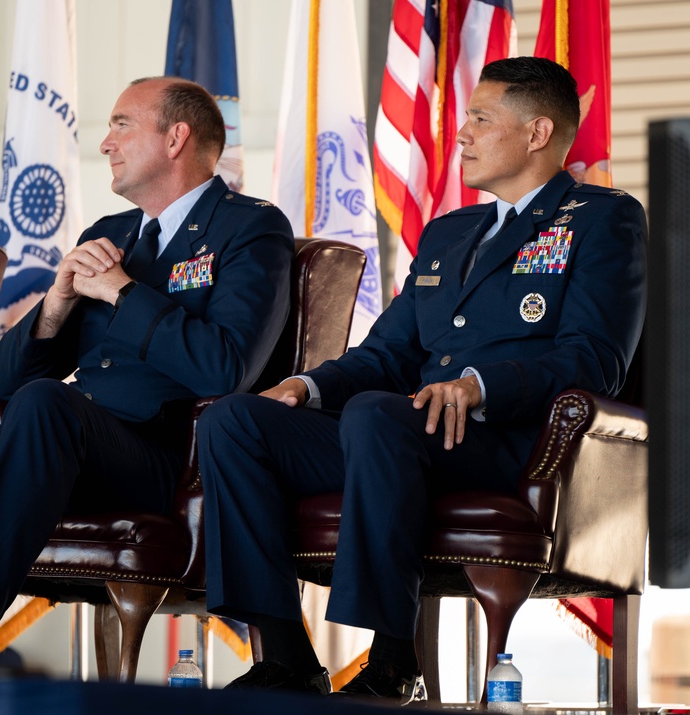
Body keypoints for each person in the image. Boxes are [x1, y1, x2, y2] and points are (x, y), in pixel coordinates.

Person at [197, 56, 647, 701]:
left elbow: (595, 358)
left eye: (480, 119)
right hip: (403, 436)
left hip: (510, 442)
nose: (460, 135)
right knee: (234, 420)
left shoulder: (601, 218)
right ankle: (286, 655)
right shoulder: (448, 232)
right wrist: (307, 387)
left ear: (537, 133)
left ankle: (391, 659)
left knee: (379, 414)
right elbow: (386, 353)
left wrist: (476, 385)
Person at [0, 76, 294, 677]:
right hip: (47, 447)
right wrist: (54, 305)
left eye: (122, 124)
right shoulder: (111, 234)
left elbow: (228, 366)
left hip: (154, 457)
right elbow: (9, 380)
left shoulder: (249, 228)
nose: (105, 142)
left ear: (176, 137)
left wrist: (124, 294)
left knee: (49, 405)